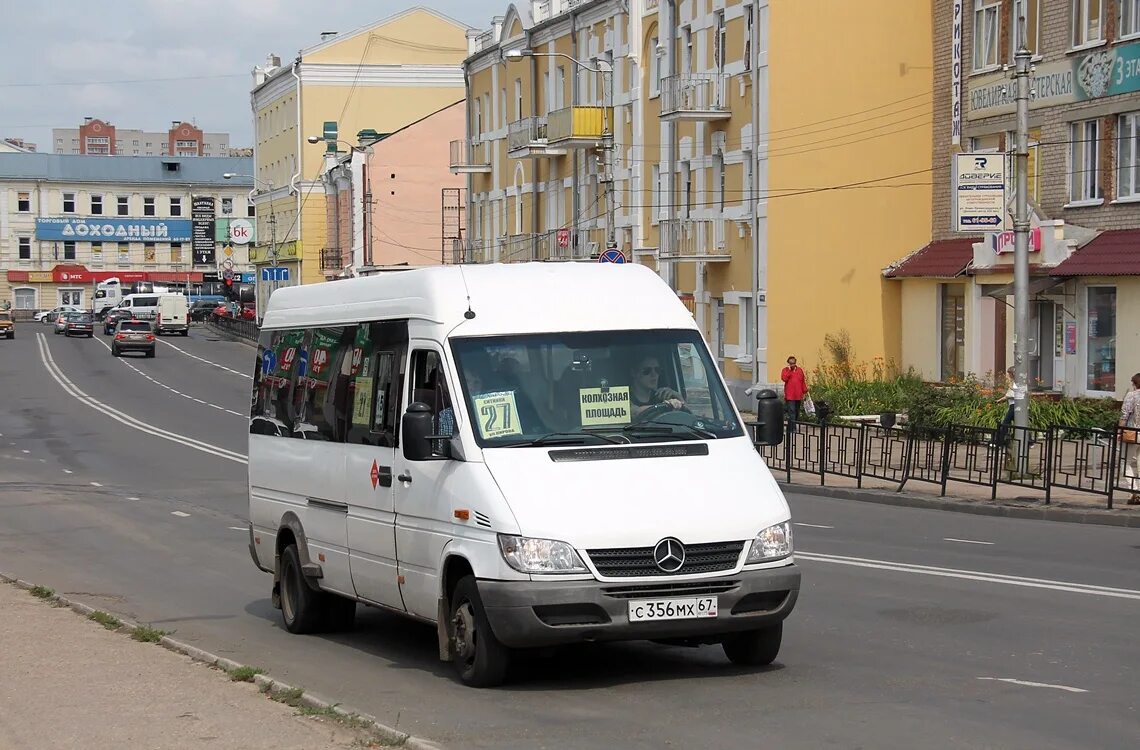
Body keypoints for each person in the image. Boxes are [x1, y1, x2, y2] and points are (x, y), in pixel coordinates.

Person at [629, 355, 684, 419]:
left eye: (657, 370)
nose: (654, 374)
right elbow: (634, 412)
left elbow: (690, 417)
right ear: (633, 373)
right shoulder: (624, 397)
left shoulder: (662, 396)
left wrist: (678, 398)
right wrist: (666, 406)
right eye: (647, 370)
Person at [1120, 373, 1140, 505]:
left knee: (1127, 462)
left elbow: (1124, 415)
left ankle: (1134, 492)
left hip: (1133, 433)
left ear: (1134, 383)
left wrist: (1119, 432)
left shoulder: (1132, 395)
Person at [780, 356, 808, 431]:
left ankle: (791, 424)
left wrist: (805, 392)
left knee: (796, 411)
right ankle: (793, 429)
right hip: (790, 396)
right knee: (792, 411)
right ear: (788, 363)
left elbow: (802, 382)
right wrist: (789, 371)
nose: (792, 365)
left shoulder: (799, 370)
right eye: (791, 363)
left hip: (798, 395)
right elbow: (784, 378)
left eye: (794, 363)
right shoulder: (785, 370)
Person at [994, 367, 1018, 446]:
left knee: (1005, 423)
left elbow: (1013, 394)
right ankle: (1030, 441)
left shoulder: (1016, 383)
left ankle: (999, 442)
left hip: (1014, 406)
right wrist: (1000, 400)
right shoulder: (1013, 382)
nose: (1008, 375)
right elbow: (1008, 394)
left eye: (1009, 373)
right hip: (1012, 405)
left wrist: (1006, 395)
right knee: (1018, 424)